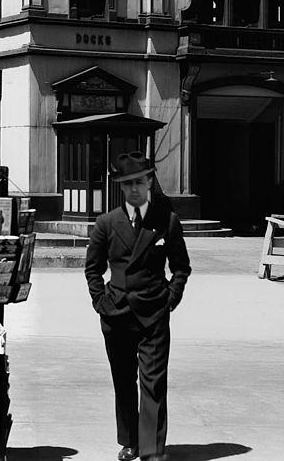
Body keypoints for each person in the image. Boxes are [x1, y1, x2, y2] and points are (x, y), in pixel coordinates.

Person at [85, 152, 192, 461]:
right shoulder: (106, 223)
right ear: (120, 187)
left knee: (154, 383)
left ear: (149, 182)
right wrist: (99, 301)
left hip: (153, 314)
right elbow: (93, 268)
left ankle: (152, 450)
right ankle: (130, 440)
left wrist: (170, 298)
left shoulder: (166, 220)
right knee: (123, 381)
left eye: (139, 182)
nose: (134, 189)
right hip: (116, 313)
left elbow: (181, 267)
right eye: (127, 183)